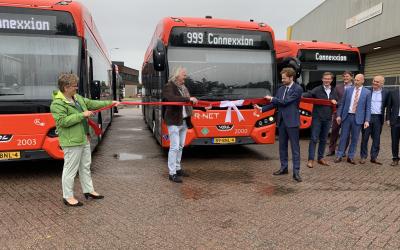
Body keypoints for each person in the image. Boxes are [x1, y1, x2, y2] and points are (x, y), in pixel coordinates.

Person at [50, 73, 119, 207]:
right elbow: (63, 122)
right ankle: (68, 196)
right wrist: (82, 115)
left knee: (85, 167)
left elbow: (92, 103)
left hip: (84, 139)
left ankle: (89, 190)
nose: (76, 88)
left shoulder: (77, 98)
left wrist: (111, 103)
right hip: (72, 142)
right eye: (74, 86)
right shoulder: (57, 104)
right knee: (70, 170)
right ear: (66, 87)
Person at [256, 67, 303, 182]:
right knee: (282, 146)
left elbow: (285, 102)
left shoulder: (298, 89)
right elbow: (276, 104)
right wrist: (262, 109)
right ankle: (284, 168)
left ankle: (296, 172)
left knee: (295, 148)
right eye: (282, 78)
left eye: (284, 78)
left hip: (292, 122)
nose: (282, 80)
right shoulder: (281, 89)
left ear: (291, 77)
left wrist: (271, 98)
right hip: (281, 121)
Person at [162, 67, 198, 183]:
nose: (185, 77)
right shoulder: (169, 86)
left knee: (181, 146)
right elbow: (171, 98)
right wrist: (188, 99)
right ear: (177, 75)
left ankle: (178, 169)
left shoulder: (184, 88)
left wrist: (204, 106)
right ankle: (172, 173)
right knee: (174, 147)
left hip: (184, 121)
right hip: (173, 121)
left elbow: (190, 101)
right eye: (184, 75)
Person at [334, 74, 371, 164]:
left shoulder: (367, 92)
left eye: (358, 80)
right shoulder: (348, 90)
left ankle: (350, 156)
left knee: (355, 138)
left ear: (363, 81)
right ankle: (339, 155)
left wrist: (367, 120)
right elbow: (342, 104)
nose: (356, 81)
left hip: (358, 118)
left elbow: (368, 108)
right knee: (343, 137)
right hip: (346, 117)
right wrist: (339, 115)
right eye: (355, 80)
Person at [303, 72, 338, 168]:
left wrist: (335, 102)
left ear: (331, 80)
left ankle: (320, 158)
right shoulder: (317, 90)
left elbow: (337, 103)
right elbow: (308, 94)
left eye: (328, 79)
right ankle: (310, 159)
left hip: (327, 119)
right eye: (325, 79)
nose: (327, 80)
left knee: (323, 139)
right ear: (322, 79)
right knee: (314, 139)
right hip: (317, 118)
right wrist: (298, 93)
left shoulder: (334, 91)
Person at [360, 75, 388, 165]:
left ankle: (374, 157)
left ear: (382, 83)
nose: (374, 83)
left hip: (378, 118)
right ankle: (363, 157)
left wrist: (387, 118)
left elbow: (389, 106)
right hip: (367, 118)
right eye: (374, 81)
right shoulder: (367, 91)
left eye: (377, 82)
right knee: (364, 138)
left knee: (376, 139)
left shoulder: (386, 93)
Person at [327, 71, 354, 156]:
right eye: (344, 76)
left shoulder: (354, 88)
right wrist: (333, 100)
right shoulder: (338, 87)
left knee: (346, 133)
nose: (345, 78)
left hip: (349, 113)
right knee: (334, 131)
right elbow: (332, 97)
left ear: (351, 77)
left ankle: (342, 151)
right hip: (337, 112)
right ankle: (331, 150)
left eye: (347, 76)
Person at [386, 86, 400, 166]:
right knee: (394, 141)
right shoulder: (393, 92)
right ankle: (395, 158)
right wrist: (388, 119)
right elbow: (388, 106)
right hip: (395, 120)